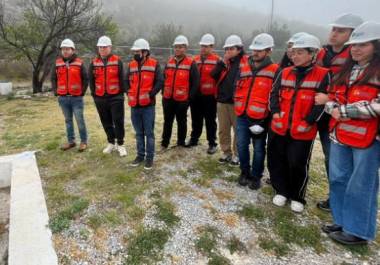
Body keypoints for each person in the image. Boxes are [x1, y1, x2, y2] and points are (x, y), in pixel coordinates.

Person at [319, 22, 380, 245]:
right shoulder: (348, 70)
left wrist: (343, 110)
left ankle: (358, 231)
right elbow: (330, 98)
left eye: (362, 45)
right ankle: (342, 221)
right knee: (339, 179)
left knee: (361, 184)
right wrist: (331, 108)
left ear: (375, 45)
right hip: (340, 134)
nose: (355, 49)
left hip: (368, 139)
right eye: (354, 45)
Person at [268, 34, 331, 213]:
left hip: (303, 130)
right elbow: (273, 95)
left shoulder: (323, 75)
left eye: (300, 53)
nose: (294, 56)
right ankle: (281, 190)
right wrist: (275, 113)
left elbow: (321, 102)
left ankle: (297, 195)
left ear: (312, 54)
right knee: (277, 159)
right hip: (280, 127)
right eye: (293, 52)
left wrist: (309, 121)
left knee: (297, 163)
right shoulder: (285, 72)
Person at [314, 13, 363, 212]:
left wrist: (330, 101)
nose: (334, 34)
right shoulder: (321, 53)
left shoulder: (356, 56)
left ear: (353, 34)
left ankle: (339, 200)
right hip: (316, 110)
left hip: (339, 114)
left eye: (340, 31)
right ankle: (336, 197)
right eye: (333, 29)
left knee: (335, 160)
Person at [234, 33, 279, 190]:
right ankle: (244, 172)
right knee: (241, 145)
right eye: (254, 50)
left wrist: (267, 117)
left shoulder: (275, 70)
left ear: (269, 51)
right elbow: (238, 87)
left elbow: (275, 95)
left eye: (260, 50)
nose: (256, 53)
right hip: (241, 114)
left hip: (260, 118)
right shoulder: (244, 67)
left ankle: (256, 176)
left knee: (259, 149)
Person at [125, 38, 163, 170]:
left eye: (137, 50)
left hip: (148, 106)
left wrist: (151, 94)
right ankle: (140, 155)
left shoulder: (154, 64)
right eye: (134, 51)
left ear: (145, 52)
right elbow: (125, 81)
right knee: (138, 133)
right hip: (134, 105)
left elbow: (160, 81)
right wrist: (128, 93)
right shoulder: (131, 65)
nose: (135, 53)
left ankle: (149, 158)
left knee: (149, 133)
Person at [89, 36, 127, 156]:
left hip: (115, 97)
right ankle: (111, 142)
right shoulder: (94, 62)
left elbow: (122, 79)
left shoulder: (117, 61)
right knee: (106, 122)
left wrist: (121, 95)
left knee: (118, 121)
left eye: (104, 47)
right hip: (100, 98)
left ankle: (120, 144)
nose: (102, 49)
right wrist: (95, 96)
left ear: (110, 47)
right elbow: (91, 80)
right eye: (100, 47)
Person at [160, 35, 199, 150]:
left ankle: (180, 143)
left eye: (180, 47)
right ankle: (164, 143)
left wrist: (188, 99)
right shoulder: (169, 62)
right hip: (168, 99)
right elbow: (164, 78)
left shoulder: (191, 63)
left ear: (185, 48)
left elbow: (195, 83)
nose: (177, 49)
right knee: (167, 121)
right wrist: (163, 93)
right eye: (176, 47)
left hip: (182, 100)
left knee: (181, 122)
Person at [211, 35, 245, 166]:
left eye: (231, 48)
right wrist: (221, 63)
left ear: (239, 49)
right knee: (223, 129)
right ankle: (226, 153)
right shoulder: (225, 62)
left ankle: (237, 155)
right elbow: (213, 75)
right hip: (222, 101)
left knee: (238, 131)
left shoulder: (244, 62)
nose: (228, 51)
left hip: (237, 103)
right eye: (226, 49)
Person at [186, 33, 220, 154]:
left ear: (212, 47)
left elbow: (220, 78)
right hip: (196, 96)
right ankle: (194, 139)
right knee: (196, 119)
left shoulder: (217, 61)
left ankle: (212, 143)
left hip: (210, 96)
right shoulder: (194, 60)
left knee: (210, 120)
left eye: (206, 46)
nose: (203, 48)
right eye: (202, 46)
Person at [52, 39, 88, 152]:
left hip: (76, 98)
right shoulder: (57, 63)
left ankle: (83, 142)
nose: (65, 51)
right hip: (63, 98)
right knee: (68, 121)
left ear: (73, 50)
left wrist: (82, 92)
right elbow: (53, 78)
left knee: (80, 120)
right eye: (63, 49)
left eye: (67, 49)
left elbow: (86, 79)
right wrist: (55, 91)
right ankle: (71, 141)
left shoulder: (79, 63)